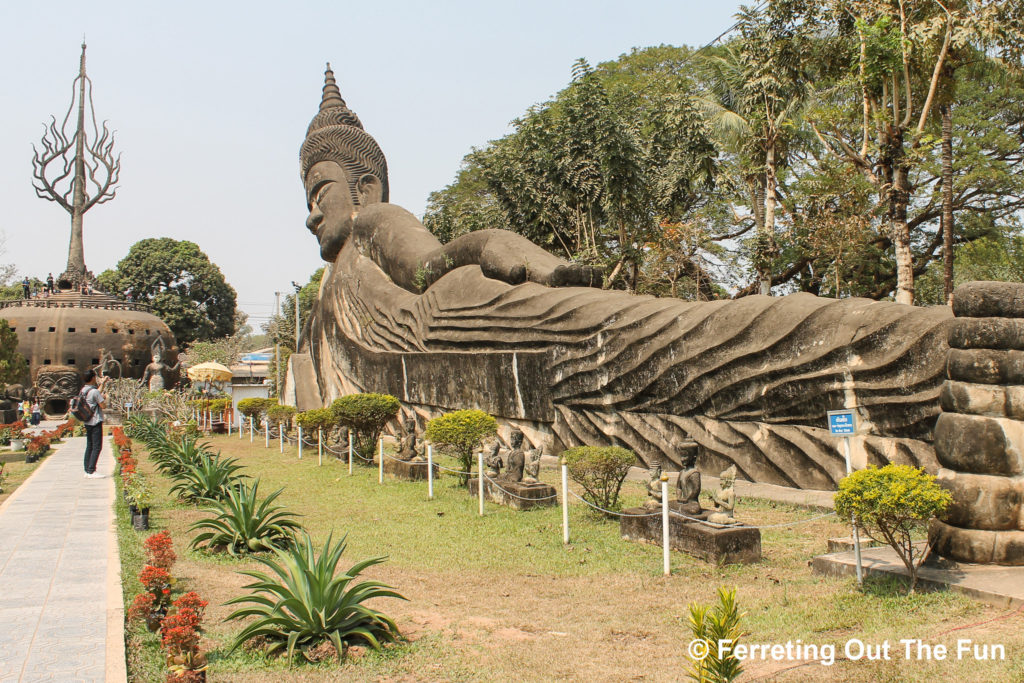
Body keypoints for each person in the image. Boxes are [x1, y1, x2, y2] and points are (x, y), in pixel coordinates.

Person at [80, 370, 106, 478]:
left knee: (89, 445)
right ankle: (91, 470)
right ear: (92, 378)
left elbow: (95, 394)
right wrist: (105, 398)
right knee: (97, 446)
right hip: (95, 421)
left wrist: (103, 384)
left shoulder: (83, 390)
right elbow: (103, 405)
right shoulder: (94, 392)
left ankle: (87, 470)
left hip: (87, 420)